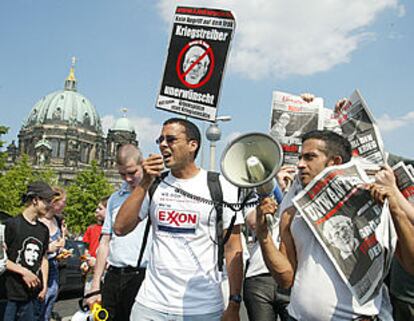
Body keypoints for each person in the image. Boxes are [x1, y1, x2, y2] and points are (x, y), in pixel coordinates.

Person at [257, 130, 414, 320]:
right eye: (300, 158)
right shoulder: (291, 214)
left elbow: (411, 265)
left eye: (310, 157)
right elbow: (285, 278)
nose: (300, 165)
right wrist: (263, 233)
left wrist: (396, 209)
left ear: (335, 162)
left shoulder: (375, 201)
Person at [114, 118, 244, 321]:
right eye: (160, 140)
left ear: (193, 145)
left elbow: (233, 249)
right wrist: (145, 182)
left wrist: (234, 303)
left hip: (202, 309)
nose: (163, 145)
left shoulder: (220, 186)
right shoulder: (155, 184)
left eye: (171, 139)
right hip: (151, 306)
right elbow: (120, 228)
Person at [85, 144, 150, 321]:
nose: (127, 179)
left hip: (142, 276)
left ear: (142, 164)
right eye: (122, 174)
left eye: (132, 172)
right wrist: (96, 284)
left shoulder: (154, 193)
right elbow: (105, 242)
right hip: (113, 275)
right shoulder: (115, 198)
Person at [243, 166, 296, 321]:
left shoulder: (301, 194)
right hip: (259, 278)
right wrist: (274, 189)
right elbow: (253, 222)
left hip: (292, 278)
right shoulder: (256, 195)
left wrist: (289, 192)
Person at [4, 181, 57, 321]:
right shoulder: (12, 225)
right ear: (35, 200)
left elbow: (43, 258)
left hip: (32, 297)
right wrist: (24, 272)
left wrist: (45, 285)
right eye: (47, 201)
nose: (50, 205)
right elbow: (1, 259)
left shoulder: (43, 230)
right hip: (9, 295)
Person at [37, 187, 67, 321]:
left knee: (50, 299)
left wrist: (62, 250)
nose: (65, 205)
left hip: (54, 267)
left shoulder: (59, 221)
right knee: (39, 302)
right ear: (54, 202)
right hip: (40, 268)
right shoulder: (38, 221)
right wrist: (49, 248)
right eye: (63, 202)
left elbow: (60, 245)